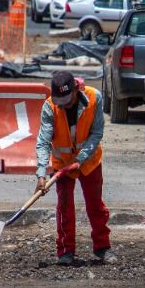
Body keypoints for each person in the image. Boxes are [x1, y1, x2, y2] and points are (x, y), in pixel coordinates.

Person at [34, 71, 112, 266]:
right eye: (59, 101)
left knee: (95, 205)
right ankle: (66, 251)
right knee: (64, 207)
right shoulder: (50, 107)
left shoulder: (94, 97)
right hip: (62, 164)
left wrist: (81, 158)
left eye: (67, 101)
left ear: (76, 90)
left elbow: (97, 133)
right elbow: (43, 142)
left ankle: (102, 247)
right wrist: (41, 174)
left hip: (89, 160)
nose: (63, 105)